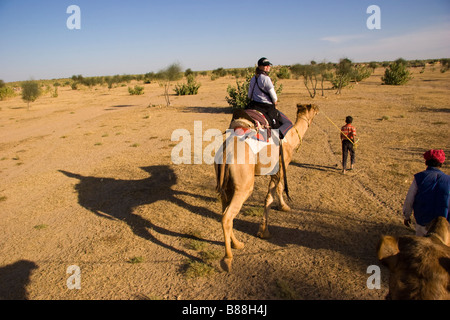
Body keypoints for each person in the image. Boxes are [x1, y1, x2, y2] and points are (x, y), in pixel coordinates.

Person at [403, 149, 450, 236]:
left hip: (423, 222)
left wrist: (407, 216)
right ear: (441, 163)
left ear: (426, 161)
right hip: (442, 226)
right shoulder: (448, 180)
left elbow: (410, 198)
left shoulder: (419, 177)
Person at [247, 57, 292, 138]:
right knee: (288, 123)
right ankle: (277, 138)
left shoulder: (253, 78)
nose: (268, 67)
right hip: (266, 107)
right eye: (265, 65)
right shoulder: (266, 78)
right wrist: (275, 102)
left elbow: (249, 95)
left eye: (268, 65)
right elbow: (274, 96)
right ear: (260, 66)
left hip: (253, 105)